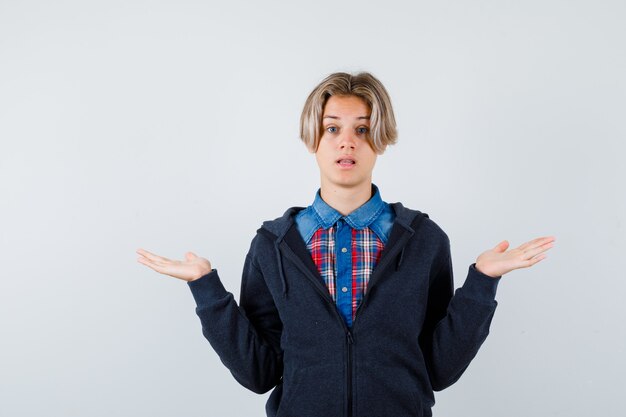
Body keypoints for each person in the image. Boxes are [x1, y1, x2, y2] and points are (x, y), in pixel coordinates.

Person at [136, 72, 555, 417]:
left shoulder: (425, 240)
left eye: (362, 130)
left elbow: (438, 370)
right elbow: (258, 373)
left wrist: (482, 281)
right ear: (312, 138)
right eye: (332, 128)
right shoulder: (273, 245)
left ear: (381, 139)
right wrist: (206, 288)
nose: (346, 142)